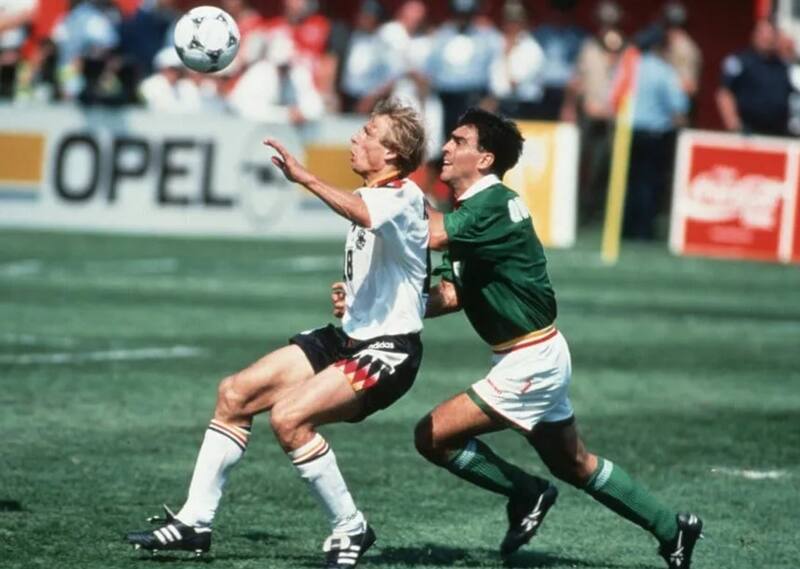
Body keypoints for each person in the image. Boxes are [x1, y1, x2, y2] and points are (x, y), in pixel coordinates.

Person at [335, 108, 703, 569]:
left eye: (458, 141)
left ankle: (527, 493)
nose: (446, 149)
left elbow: (427, 234)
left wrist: (391, 191)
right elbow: (451, 293)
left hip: (531, 358)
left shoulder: (489, 204)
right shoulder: (469, 210)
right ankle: (674, 530)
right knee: (575, 464)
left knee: (432, 435)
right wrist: (371, 302)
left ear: (484, 159)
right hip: (533, 352)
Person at [125, 98, 430, 569]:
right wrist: (354, 295)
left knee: (289, 419)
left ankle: (351, 527)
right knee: (235, 394)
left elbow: (363, 214)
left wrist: (305, 177)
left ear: (391, 153)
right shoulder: (375, 195)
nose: (356, 137)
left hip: (388, 352)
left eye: (368, 132)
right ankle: (194, 522)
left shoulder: (404, 196)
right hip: (348, 337)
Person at [716, 19, 792, 137]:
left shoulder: (782, 66)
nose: (766, 39)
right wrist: (734, 124)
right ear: (754, 35)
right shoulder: (741, 61)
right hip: (747, 132)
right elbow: (724, 93)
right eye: (762, 34)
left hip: (777, 133)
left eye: (770, 35)